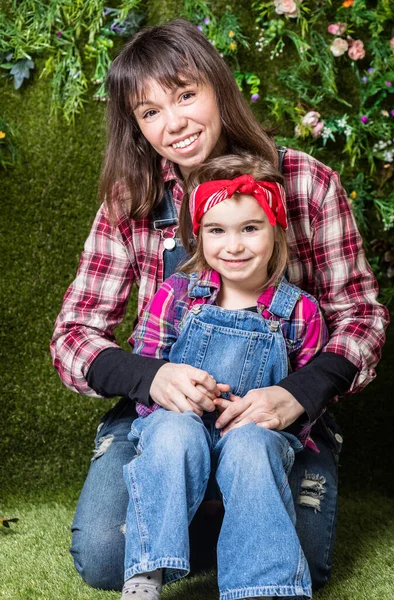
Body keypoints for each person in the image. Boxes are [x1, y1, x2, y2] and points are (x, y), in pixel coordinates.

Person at [50, 18, 389, 594]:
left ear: (218, 86)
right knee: (107, 556)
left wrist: (299, 393)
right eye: (149, 111)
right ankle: (202, 520)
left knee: (301, 560)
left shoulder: (306, 182)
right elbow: (74, 334)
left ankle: (228, 524)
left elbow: (361, 316)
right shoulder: (131, 200)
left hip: (270, 425)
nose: (174, 123)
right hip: (168, 423)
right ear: (136, 126)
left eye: (185, 95)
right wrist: (149, 376)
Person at [121, 153, 328, 600]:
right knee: (173, 432)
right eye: (217, 231)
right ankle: (145, 574)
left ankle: (262, 587)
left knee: (252, 444)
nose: (233, 246)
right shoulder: (177, 295)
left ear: (276, 229)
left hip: (253, 435)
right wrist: (174, 397)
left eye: (250, 229)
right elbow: (149, 363)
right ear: (199, 234)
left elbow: (309, 396)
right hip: (179, 424)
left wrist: (277, 416)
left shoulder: (298, 311)